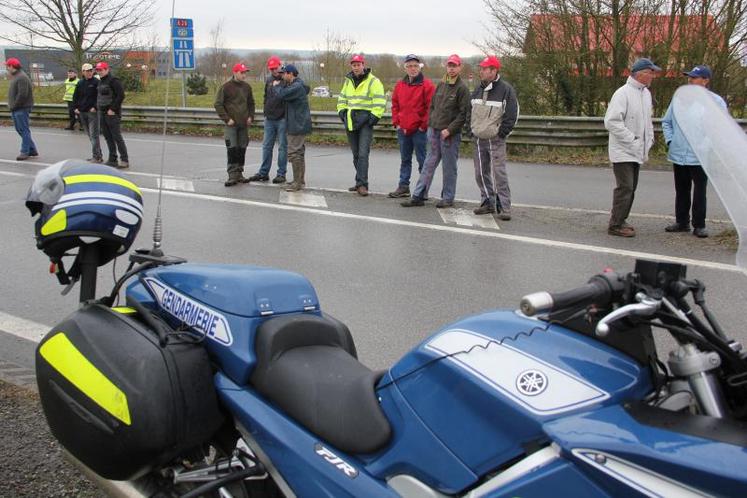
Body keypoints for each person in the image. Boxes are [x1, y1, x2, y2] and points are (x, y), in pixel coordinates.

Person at [661, 65, 726, 239]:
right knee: (681, 189)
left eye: (694, 77)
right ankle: (682, 222)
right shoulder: (679, 99)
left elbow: (720, 129)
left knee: (699, 191)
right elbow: (666, 122)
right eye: (689, 77)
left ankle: (699, 225)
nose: (690, 80)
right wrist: (670, 140)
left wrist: (707, 146)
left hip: (701, 155)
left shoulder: (716, 102)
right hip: (678, 153)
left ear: (705, 80)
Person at [401, 54, 470, 209]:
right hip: (434, 131)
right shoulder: (441, 84)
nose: (451, 68)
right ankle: (418, 195)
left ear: (460, 67)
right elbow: (432, 106)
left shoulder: (462, 88)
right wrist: (431, 125)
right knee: (428, 164)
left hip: (450, 135)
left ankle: (447, 198)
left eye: (455, 66)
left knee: (449, 167)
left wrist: (450, 129)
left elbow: (463, 114)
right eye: (449, 65)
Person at [604, 57, 660, 237]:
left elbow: (647, 122)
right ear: (640, 73)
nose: (653, 76)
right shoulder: (622, 93)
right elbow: (611, 122)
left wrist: (648, 141)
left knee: (632, 188)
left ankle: (622, 218)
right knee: (625, 187)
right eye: (650, 72)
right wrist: (633, 139)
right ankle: (615, 224)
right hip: (622, 150)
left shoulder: (646, 94)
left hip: (637, 150)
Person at [470, 55, 519, 220]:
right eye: (481, 68)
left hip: (495, 139)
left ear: (494, 70)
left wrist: (501, 133)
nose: (481, 71)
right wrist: (471, 130)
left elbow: (512, 114)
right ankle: (487, 202)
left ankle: (504, 207)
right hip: (478, 139)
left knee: (499, 173)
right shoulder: (477, 89)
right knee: (480, 173)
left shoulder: (506, 90)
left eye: (484, 69)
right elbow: (468, 111)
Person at [337, 54, 386, 196]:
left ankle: (362, 184)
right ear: (351, 66)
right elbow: (342, 98)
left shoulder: (373, 81)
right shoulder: (348, 81)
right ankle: (359, 181)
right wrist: (342, 113)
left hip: (365, 121)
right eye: (354, 65)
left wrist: (373, 118)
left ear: (363, 65)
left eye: (358, 64)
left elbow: (379, 101)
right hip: (351, 120)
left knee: (363, 154)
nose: (356, 67)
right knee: (356, 154)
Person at [388, 54, 436, 198]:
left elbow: (431, 107)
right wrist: (397, 122)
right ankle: (403, 187)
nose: (412, 69)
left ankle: (423, 190)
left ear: (419, 67)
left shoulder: (427, 85)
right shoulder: (400, 85)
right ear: (405, 68)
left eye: (415, 66)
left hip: (419, 130)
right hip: (403, 129)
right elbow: (395, 104)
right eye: (409, 66)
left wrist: (423, 125)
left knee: (423, 161)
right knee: (405, 159)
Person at [270, 64, 311, 192]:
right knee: (299, 152)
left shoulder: (296, 86)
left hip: (297, 124)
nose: (282, 76)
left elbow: (281, 94)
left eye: (284, 73)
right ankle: (299, 180)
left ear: (291, 74)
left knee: (294, 152)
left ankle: (297, 183)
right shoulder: (296, 85)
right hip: (297, 123)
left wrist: (276, 86)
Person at [214, 62, 255, 186]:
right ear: (235, 72)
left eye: (245, 73)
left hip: (243, 124)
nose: (244, 75)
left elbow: (251, 103)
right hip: (231, 124)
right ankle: (232, 175)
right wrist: (227, 119)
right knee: (232, 148)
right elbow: (218, 104)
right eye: (241, 73)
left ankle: (239, 173)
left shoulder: (247, 87)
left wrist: (250, 116)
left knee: (242, 148)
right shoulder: (226, 87)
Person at [248, 55, 288, 184]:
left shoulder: (286, 79)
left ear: (280, 66)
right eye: (271, 69)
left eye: (275, 68)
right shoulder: (269, 80)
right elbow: (266, 96)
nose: (273, 71)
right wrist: (265, 110)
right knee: (266, 146)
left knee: (282, 147)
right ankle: (263, 172)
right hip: (269, 118)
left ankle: (281, 173)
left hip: (282, 118)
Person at [95, 62, 129, 169]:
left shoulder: (114, 81)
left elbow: (121, 95)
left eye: (101, 70)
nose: (99, 72)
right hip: (102, 112)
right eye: (98, 70)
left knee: (117, 137)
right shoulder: (100, 81)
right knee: (108, 137)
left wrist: (113, 109)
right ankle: (112, 159)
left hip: (112, 113)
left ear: (107, 69)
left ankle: (124, 160)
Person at [6, 57, 38, 161]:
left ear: (12, 66)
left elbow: (22, 95)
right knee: (20, 129)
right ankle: (32, 149)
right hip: (16, 108)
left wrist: (14, 105)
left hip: (21, 108)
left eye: (7, 66)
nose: (7, 68)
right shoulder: (15, 76)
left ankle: (24, 152)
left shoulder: (21, 77)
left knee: (24, 130)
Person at [73, 63, 102, 163]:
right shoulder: (80, 83)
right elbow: (75, 96)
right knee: (90, 135)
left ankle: (96, 156)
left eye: (91, 70)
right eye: (87, 71)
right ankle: (98, 155)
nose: (89, 72)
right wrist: (75, 107)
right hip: (82, 112)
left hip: (92, 112)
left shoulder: (96, 82)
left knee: (94, 135)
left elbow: (99, 97)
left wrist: (95, 107)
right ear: (83, 72)